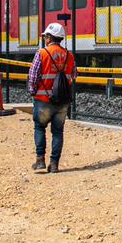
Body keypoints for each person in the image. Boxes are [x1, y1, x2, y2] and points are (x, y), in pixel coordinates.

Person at [26, 22, 76, 173]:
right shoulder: (69, 55)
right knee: (58, 132)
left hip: (43, 100)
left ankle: (40, 160)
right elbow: (74, 75)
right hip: (62, 101)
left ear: (49, 37)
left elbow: (33, 76)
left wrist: (33, 91)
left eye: (45, 36)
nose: (44, 39)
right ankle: (54, 164)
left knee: (39, 127)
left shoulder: (42, 53)